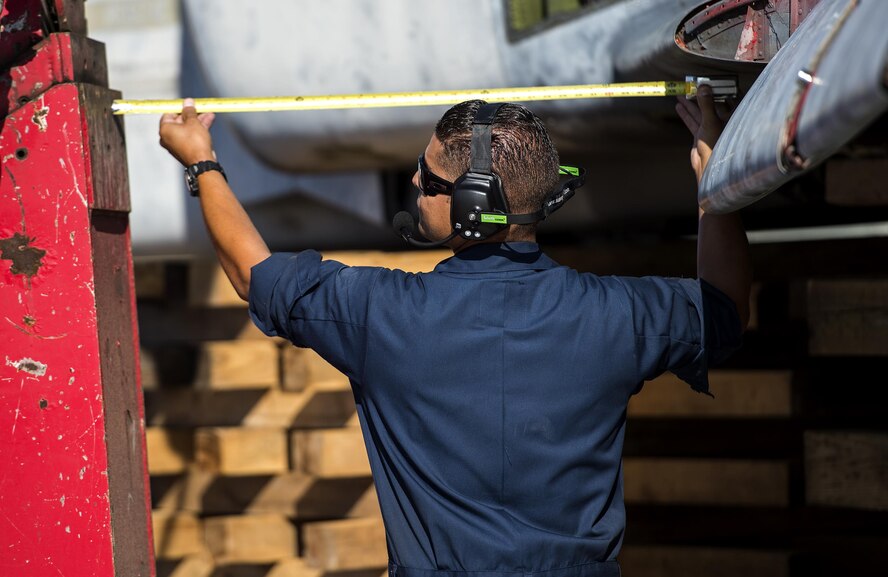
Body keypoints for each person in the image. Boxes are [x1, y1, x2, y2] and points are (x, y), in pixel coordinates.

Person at [159, 85, 750, 577]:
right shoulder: (617, 315)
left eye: (428, 177)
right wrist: (716, 182)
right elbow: (722, 310)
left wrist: (201, 162)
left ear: (474, 205)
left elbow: (251, 273)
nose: (415, 182)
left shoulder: (381, 315)